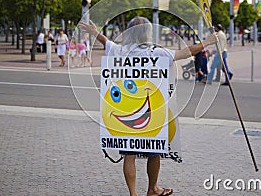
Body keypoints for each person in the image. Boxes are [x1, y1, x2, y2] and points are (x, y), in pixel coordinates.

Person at [79, 17, 217, 196]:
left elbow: (106, 42)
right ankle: (152, 189)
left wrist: (94, 31)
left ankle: (133, 194)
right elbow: (187, 52)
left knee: (129, 154)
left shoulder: (120, 51)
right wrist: (209, 42)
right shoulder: (157, 52)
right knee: (154, 152)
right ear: (148, 33)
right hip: (151, 109)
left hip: (125, 109)